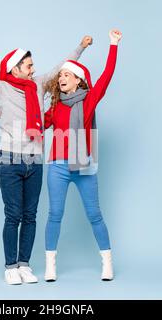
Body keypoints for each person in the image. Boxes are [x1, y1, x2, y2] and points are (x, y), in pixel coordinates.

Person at [0, 26, 92, 285]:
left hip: (35, 160)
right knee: (13, 215)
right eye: (29, 66)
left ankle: (24, 264)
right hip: (10, 159)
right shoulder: (0, 88)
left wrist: (81, 48)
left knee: (30, 215)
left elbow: (58, 69)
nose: (33, 69)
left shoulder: (38, 84)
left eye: (33, 66)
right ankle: (10, 266)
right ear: (15, 69)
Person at [42, 29, 122, 281]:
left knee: (94, 214)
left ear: (78, 80)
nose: (62, 77)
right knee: (55, 214)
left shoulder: (88, 101)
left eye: (67, 74)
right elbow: (35, 123)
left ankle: (107, 262)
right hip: (57, 166)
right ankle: (50, 265)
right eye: (61, 75)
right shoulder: (54, 106)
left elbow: (107, 76)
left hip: (84, 165)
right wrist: (6, 113)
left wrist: (113, 44)